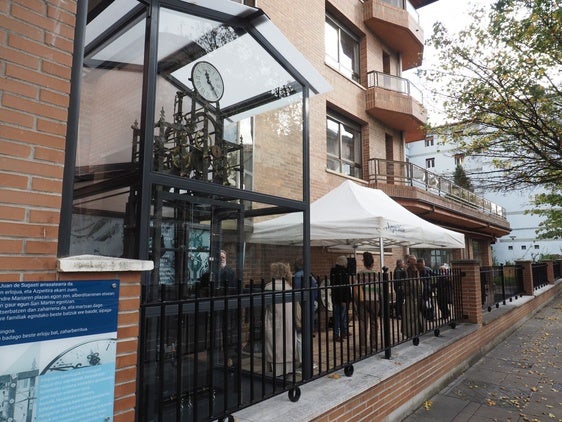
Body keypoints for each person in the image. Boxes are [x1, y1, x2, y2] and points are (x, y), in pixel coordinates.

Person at [264, 262, 297, 374]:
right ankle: (288, 368)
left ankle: (275, 370)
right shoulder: (288, 286)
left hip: (274, 320)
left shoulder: (269, 287)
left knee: (275, 344)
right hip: (288, 321)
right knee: (287, 343)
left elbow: (265, 306)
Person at [354, 251, 378, 351]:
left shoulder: (359, 274)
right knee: (374, 322)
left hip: (362, 300)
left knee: (363, 323)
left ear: (364, 263)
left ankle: (363, 345)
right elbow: (379, 288)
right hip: (374, 300)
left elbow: (356, 288)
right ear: (372, 263)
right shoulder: (375, 274)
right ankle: (373, 345)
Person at [330, 255, 351, 342]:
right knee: (340, 317)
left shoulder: (334, 271)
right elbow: (343, 288)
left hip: (335, 298)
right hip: (341, 298)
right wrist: (344, 299)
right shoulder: (342, 272)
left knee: (339, 316)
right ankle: (338, 334)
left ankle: (342, 333)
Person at [402, 255, 423, 337]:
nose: (415, 262)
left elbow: (418, 283)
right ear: (409, 261)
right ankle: (409, 332)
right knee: (409, 316)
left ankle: (416, 331)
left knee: (415, 315)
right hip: (409, 296)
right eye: (413, 260)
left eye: (415, 260)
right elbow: (405, 284)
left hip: (416, 296)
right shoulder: (406, 270)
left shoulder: (416, 270)